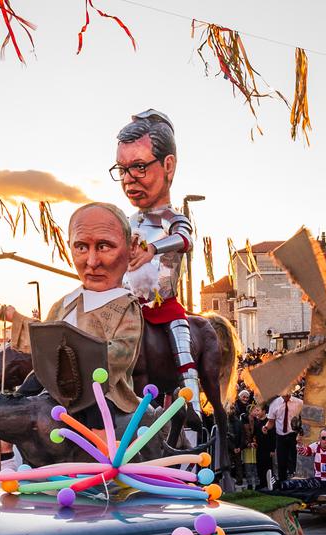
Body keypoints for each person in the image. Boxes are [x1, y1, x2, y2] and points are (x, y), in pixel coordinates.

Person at [0, 202, 142, 422]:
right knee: (18, 401)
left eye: (104, 246)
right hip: (55, 382)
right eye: (81, 247)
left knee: (97, 407)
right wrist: (12, 316)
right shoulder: (64, 303)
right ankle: (1, 445)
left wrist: (73, 357)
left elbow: (121, 354)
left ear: (131, 247)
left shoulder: (125, 305)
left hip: (97, 389)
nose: (92, 261)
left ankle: (103, 447)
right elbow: (43, 336)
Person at [112, 109, 200, 416]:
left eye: (138, 167)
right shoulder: (123, 221)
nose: (128, 180)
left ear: (168, 166)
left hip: (161, 306)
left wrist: (153, 248)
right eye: (122, 170)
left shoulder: (174, 219)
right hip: (124, 310)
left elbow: (185, 240)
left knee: (183, 350)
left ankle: (195, 407)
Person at [267, 427, 326, 496]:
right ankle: (276, 484)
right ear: (319, 438)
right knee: (300, 483)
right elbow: (304, 452)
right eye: (324, 438)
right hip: (318, 480)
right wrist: (299, 443)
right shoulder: (316, 446)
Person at [263, 391, 303, 483]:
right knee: (281, 461)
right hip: (280, 436)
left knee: (294, 460)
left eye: (288, 393)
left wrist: (300, 433)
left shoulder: (299, 403)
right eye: (284, 394)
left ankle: (295, 482)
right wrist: (266, 427)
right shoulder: (274, 403)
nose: (286, 395)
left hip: (293, 435)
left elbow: (305, 419)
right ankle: (282, 484)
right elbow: (271, 421)